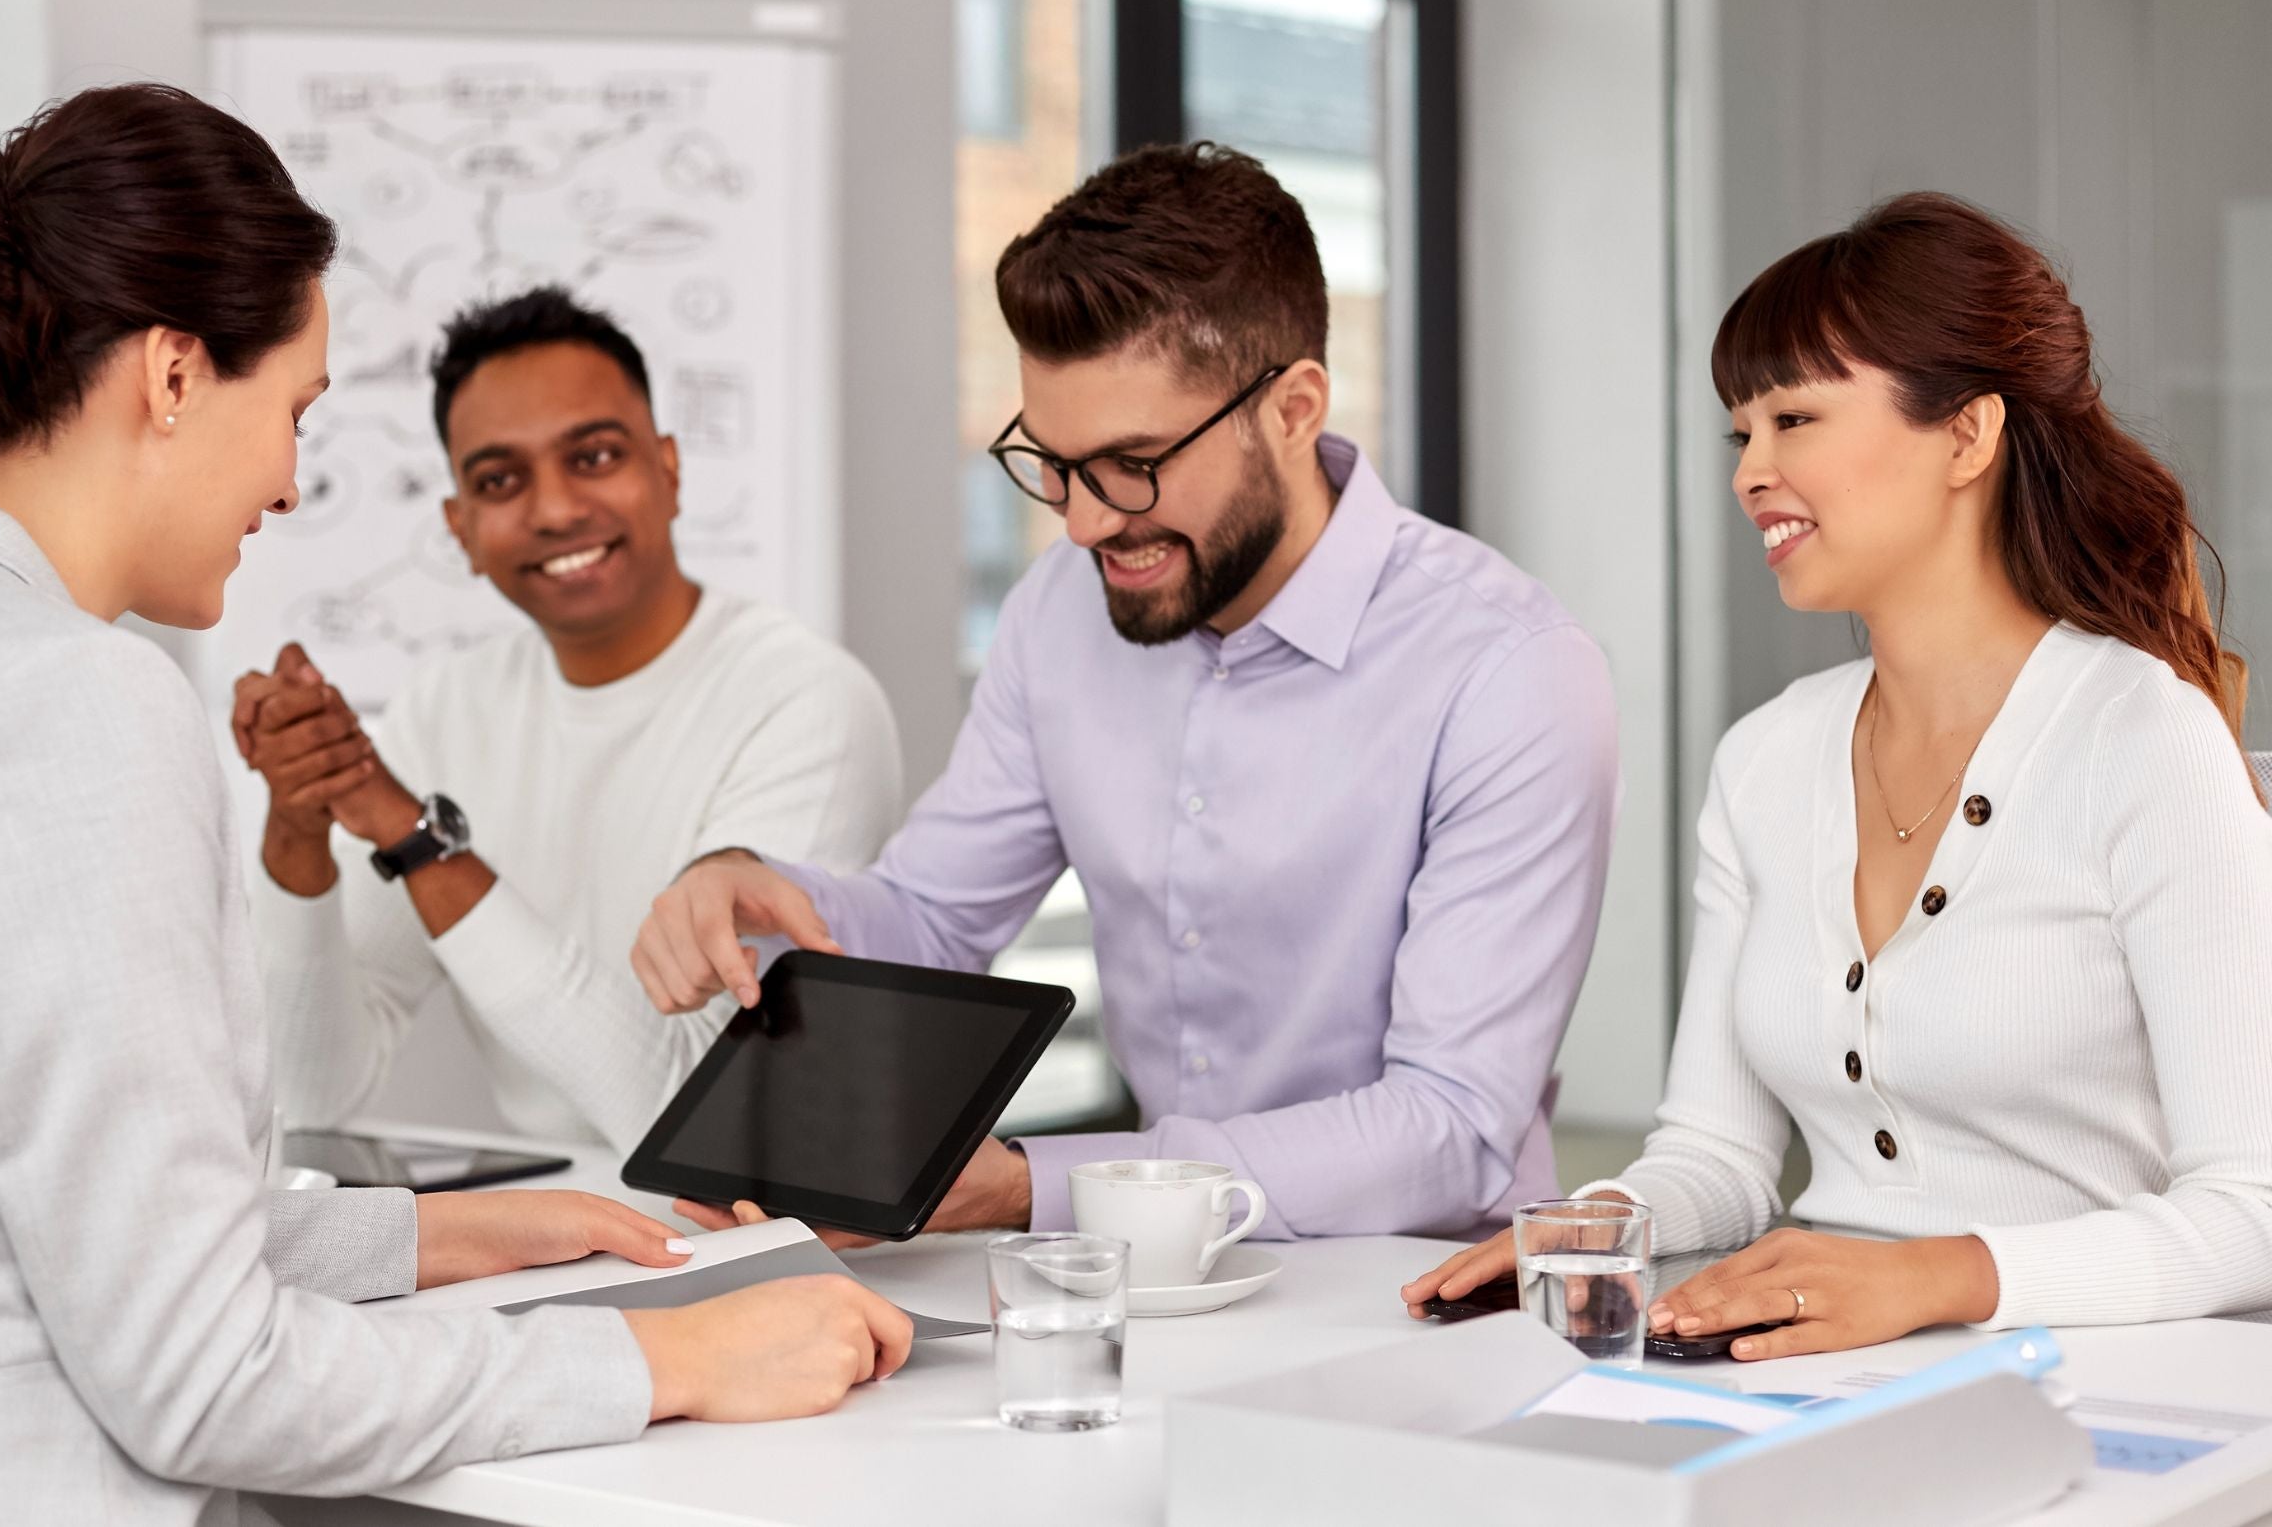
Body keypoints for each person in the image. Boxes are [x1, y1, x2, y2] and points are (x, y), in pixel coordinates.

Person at [0, 84, 908, 1527]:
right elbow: (200, 1371)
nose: (287, 478)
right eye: (292, 410)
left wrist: (431, 1232)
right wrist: (664, 1355)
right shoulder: (71, 698)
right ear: (169, 374)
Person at [631, 142, 1620, 1244]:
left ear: (1292, 409)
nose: (1086, 521)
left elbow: (1449, 1126)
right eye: (1051, 463)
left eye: (1131, 463)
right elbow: (932, 918)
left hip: (1428, 1295)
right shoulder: (1058, 613)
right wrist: (764, 891)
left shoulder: (1507, 669)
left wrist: (1034, 1187)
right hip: (1153, 1288)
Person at [1405, 192, 2272, 1358]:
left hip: (2104, 1388)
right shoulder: (1765, 758)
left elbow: (2250, 1215)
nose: (1750, 471)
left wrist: (1930, 1279)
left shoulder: (2143, 743)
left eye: (1794, 419)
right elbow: (1716, 1154)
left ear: (1967, 435)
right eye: (1740, 434)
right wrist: (1591, 1224)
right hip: (1816, 1377)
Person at [234, 287, 901, 1154]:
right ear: (461, 528)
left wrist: (418, 838)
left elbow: (692, 1112)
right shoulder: (447, 709)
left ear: (669, 469)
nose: (553, 509)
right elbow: (314, 1088)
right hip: (554, 1229)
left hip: (757, 1232)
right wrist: (298, 821)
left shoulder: (807, 703)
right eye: (500, 479)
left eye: (593, 456)